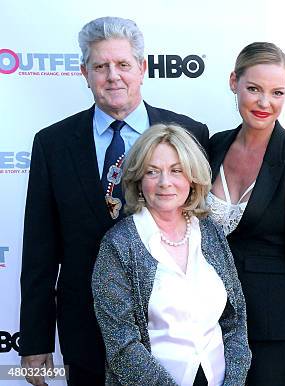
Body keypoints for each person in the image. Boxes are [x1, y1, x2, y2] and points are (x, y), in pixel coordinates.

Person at [19, 16, 209, 386]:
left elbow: (206, 232)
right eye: (100, 66)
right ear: (83, 72)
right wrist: (35, 339)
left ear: (141, 68)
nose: (113, 76)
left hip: (176, 338)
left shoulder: (190, 133)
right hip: (86, 336)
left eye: (123, 64)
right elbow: (39, 251)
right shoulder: (53, 144)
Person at [91, 124, 250, 386]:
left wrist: (233, 381)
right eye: (153, 172)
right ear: (138, 180)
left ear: (192, 177)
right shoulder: (118, 245)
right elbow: (121, 344)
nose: (165, 183)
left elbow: (236, 319)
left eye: (176, 170)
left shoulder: (210, 233)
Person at [206, 42, 285, 385]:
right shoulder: (214, 145)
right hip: (204, 320)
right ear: (234, 82)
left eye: (277, 92)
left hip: (270, 325)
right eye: (254, 89)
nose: (264, 103)